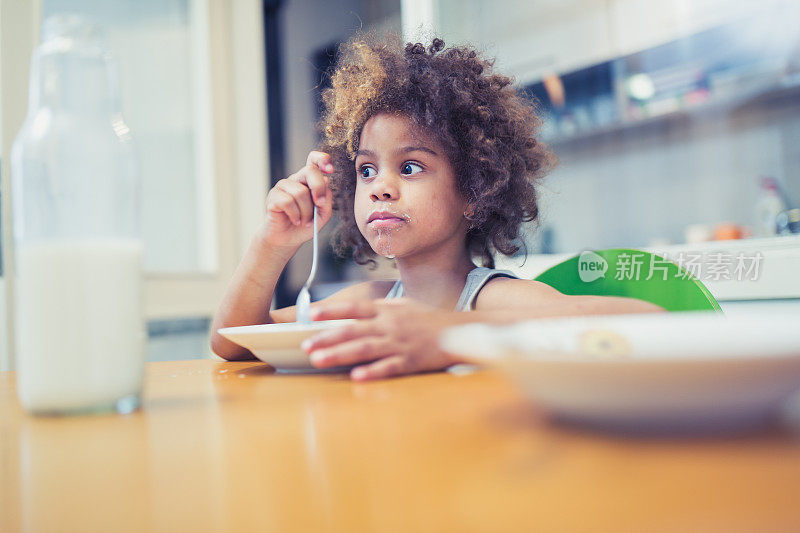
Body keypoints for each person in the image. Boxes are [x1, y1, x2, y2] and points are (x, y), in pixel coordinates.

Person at [210, 34, 661, 380]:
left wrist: (451, 334)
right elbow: (233, 342)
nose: (380, 187)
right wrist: (272, 242)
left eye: (409, 167)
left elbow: (654, 323)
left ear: (473, 190)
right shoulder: (373, 303)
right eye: (366, 171)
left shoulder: (494, 300)